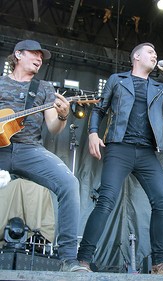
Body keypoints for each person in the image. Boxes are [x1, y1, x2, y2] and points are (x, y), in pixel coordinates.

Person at [76, 43, 163, 274]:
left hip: (146, 152)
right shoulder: (117, 79)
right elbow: (99, 109)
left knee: (162, 202)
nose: (155, 55)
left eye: (156, 52)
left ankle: (159, 264)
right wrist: (93, 132)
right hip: (119, 147)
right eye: (150, 52)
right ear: (136, 56)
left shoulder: (159, 87)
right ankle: (83, 260)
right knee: (106, 201)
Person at [0, 40, 88, 272]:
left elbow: (53, 128)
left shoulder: (44, 88)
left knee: (69, 184)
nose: (39, 59)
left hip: (29, 149)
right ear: (18, 54)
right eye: (34, 54)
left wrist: (62, 116)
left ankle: (68, 259)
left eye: (42, 56)